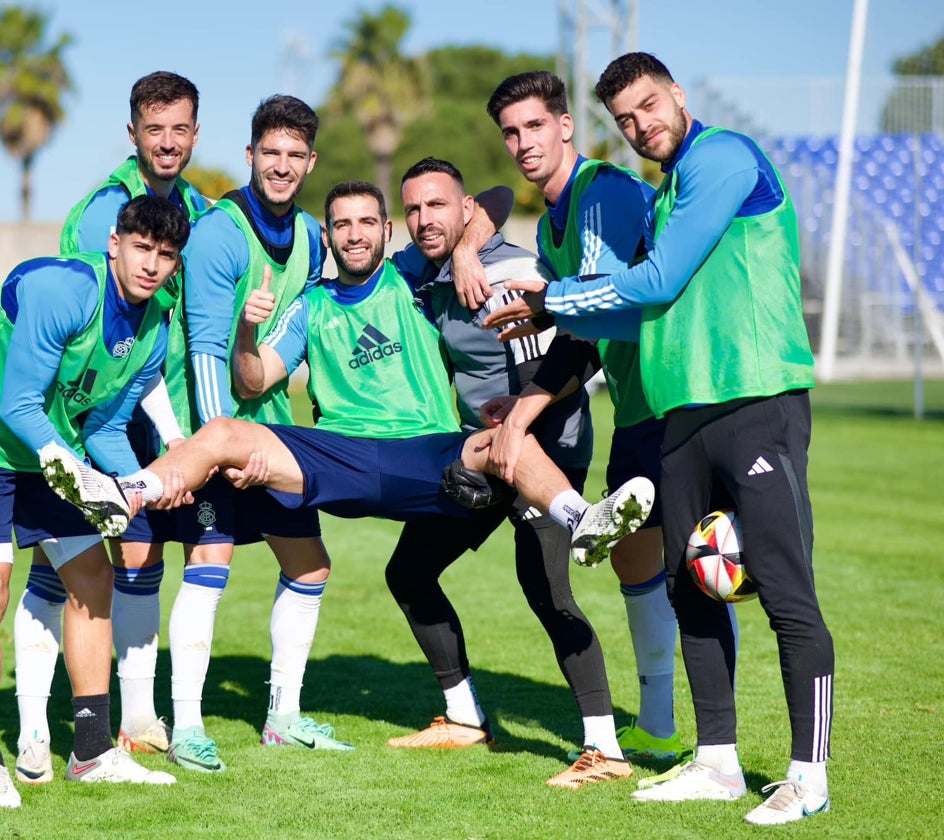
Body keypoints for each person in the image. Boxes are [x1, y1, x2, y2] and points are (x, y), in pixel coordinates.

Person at [43, 182, 654, 669]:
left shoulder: (410, 275)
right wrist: (248, 330)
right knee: (224, 433)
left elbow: (490, 197)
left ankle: (583, 519)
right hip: (338, 455)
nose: (354, 234)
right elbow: (254, 383)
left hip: (424, 453)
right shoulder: (310, 305)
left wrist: (467, 248)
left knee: (503, 441)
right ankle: (126, 493)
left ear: (386, 232)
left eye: (367, 223)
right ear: (328, 235)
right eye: (341, 224)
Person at [486, 53, 834, 825]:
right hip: (681, 417)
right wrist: (555, 315)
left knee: (783, 591)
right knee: (688, 586)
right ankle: (716, 763)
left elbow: (660, 280)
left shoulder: (722, 158)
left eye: (649, 106)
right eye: (628, 119)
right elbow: (635, 314)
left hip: (756, 397)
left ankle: (810, 777)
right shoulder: (672, 187)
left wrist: (554, 291)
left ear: (679, 94)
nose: (642, 126)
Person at [0, 195, 187, 807]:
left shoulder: (154, 330)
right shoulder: (62, 290)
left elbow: (105, 429)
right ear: (116, 243)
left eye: (166, 255)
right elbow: (17, 405)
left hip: (51, 442)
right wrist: (80, 476)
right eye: (143, 248)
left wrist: (141, 481)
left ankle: (92, 751)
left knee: (95, 574)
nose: (152, 265)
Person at [374, 159, 631, 789]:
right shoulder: (423, 268)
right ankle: (464, 717)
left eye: (438, 205)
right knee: (408, 571)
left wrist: (520, 424)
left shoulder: (512, 272)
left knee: (546, 590)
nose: (423, 219)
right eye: (412, 209)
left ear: (466, 211)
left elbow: (573, 358)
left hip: (544, 450)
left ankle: (606, 750)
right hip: (482, 452)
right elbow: (367, 258)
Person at [483, 70, 691, 766]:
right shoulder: (549, 224)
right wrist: (520, 407)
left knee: (705, 569)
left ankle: (721, 745)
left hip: (684, 395)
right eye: (511, 132)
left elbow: (597, 305)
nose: (523, 142)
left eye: (535, 126)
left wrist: (520, 420)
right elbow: (582, 338)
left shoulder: (601, 192)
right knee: (637, 560)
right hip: (637, 404)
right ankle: (658, 725)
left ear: (566, 126)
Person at [12, 71, 207, 781]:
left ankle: (132, 717)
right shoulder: (109, 212)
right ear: (133, 134)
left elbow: (164, 338)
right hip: (69, 419)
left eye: (179, 128)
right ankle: (38, 729)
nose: (167, 141)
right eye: (153, 129)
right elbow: (84, 339)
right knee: (59, 565)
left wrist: (180, 437)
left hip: (143, 418)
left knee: (136, 559)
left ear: (194, 133)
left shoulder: (195, 207)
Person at [159, 94, 343, 773]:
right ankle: (186, 726)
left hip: (270, 430)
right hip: (207, 430)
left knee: (309, 563)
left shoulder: (314, 239)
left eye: (296, 155)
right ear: (250, 155)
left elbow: (294, 342)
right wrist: (216, 450)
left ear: (311, 161)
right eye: (271, 153)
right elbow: (205, 348)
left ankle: (283, 717)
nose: (283, 166)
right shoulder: (218, 232)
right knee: (211, 563)